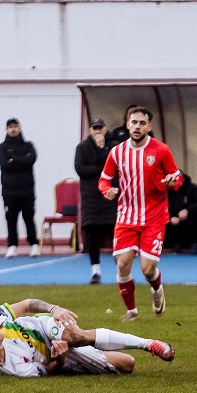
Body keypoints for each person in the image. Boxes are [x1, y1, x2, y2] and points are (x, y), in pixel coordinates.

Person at [98, 107, 182, 322]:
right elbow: (104, 179)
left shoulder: (161, 150)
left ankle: (157, 288)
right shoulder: (117, 152)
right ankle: (132, 311)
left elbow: (176, 177)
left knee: (147, 269)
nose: (137, 126)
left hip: (154, 217)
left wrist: (172, 182)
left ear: (149, 127)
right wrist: (108, 191)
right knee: (123, 264)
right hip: (126, 216)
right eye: (134, 122)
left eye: (142, 123)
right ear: (127, 124)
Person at [0, 298, 175, 377]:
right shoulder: (14, 369)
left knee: (76, 336)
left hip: (45, 325)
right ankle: (86, 355)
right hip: (55, 355)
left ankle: (149, 344)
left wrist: (53, 309)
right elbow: (49, 371)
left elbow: (26, 304)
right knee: (127, 365)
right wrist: (60, 359)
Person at [74, 118, 118, 285]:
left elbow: (113, 165)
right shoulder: (82, 147)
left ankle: (121, 270)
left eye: (100, 127)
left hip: (110, 195)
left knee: (116, 234)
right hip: (90, 196)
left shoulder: (113, 145)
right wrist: (101, 169)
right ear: (90, 130)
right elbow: (80, 169)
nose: (98, 131)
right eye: (94, 128)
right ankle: (95, 270)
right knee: (92, 234)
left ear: (106, 129)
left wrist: (101, 149)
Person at [0, 117, 39, 258]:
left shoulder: (28, 145)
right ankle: (12, 246)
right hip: (9, 191)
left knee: (29, 217)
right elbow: (4, 164)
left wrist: (14, 158)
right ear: (6, 130)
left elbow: (31, 159)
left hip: (27, 190)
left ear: (20, 128)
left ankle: (34, 245)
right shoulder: (2, 147)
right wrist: (21, 160)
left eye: (15, 126)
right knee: (11, 219)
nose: (13, 129)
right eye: (10, 127)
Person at [166, 172, 197, 253]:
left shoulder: (192, 188)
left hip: (191, 215)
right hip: (173, 217)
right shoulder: (166, 190)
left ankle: (195, 243)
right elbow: (161, 206)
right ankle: (177, 244)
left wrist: (187, 210)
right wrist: (170, 217)